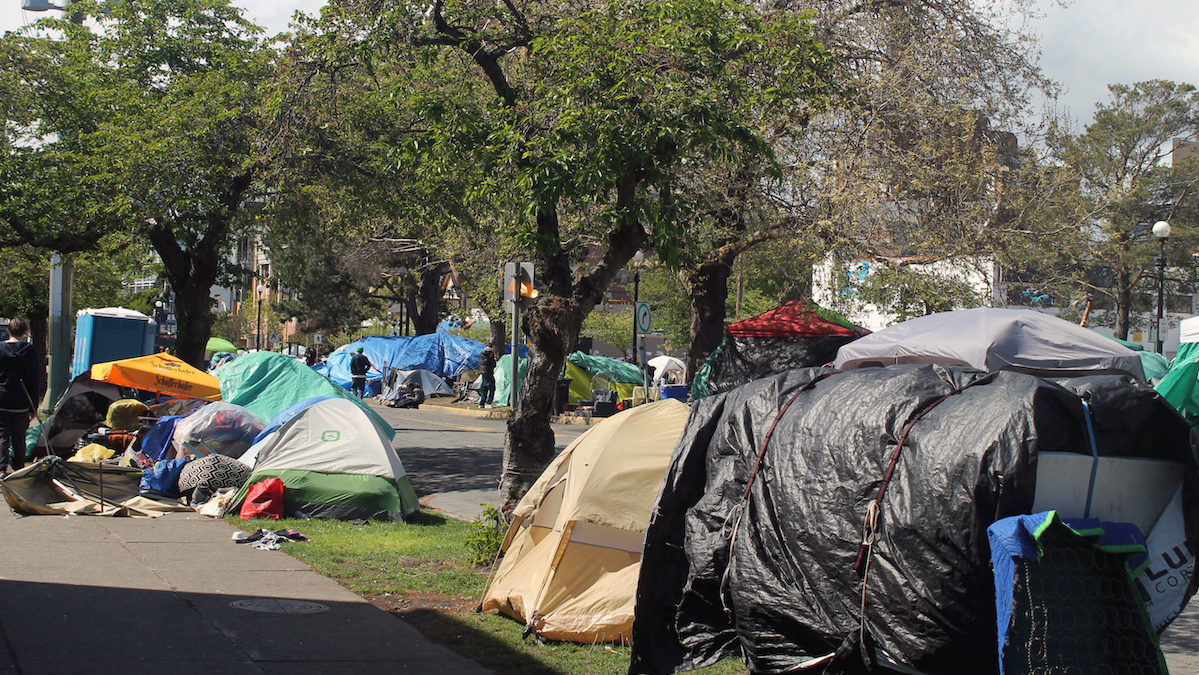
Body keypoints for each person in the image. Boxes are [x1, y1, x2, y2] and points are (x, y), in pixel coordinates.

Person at [0, 318, 39, 473]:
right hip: (22, 400)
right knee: (19, 437)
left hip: (2, 398)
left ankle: (2, 469)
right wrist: (33, 407)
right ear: (25, 332)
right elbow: (34, 380)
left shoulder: (1, 349)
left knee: (2, 435)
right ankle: (19, 467)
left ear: (8, 331)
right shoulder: (30, 351)